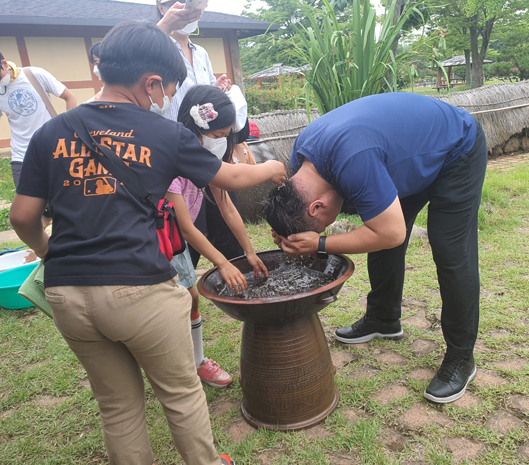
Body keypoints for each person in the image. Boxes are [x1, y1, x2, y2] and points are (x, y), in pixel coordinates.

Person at [10, 20, 285, 465]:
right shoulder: (162, 134)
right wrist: (272, 170)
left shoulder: (51, 133)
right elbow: (230, 178)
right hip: (138, 290)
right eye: (168, 90)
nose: (166, 99)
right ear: (151, 82)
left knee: (117, 407)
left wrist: (48, 251)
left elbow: (22, 217)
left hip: (67, 294)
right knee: (180, 394)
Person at [265, 92, 487, 404]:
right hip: (404, 157)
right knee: (377, 229)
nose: (321, 229)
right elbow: (296, 207)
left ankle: (462, 359)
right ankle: (383, 319)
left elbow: (392, 232)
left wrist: (321, 243)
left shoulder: (354, 161)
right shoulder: (301, 162)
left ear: (317, 207)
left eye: (319, 224)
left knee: (450, 251)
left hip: (455, 149)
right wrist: (284, 230)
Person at [168, 85, 269, 388]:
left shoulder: (204, 161)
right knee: (184, 298)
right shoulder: (171, 161)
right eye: (216, 136)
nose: (221, 143)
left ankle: (194, 360)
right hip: (162, 238)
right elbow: (186, 228)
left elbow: (225, 205)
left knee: (187, 299)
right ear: (196, 125)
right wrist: (222, 263)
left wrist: (249, 252)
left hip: (178, 241)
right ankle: (190, 364)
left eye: (226, 135)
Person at [0, 52, 77, 189]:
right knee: (27, 206)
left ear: (4, 64)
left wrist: (70, 131)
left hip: (53, 150)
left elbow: (70, 97)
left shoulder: (34, 74)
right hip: (21, 156)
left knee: (60, 202)